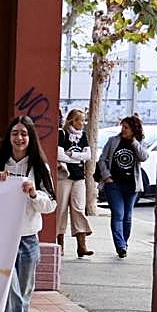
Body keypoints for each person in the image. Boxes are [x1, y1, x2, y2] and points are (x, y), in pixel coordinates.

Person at [0, 117, 57, 312]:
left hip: (28, 238)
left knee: (24, 295)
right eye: (15, 133)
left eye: (24, 134)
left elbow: (50, 204)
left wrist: (34, 193)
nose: (19, 138)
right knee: (11, 290)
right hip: (3, 239)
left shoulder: (39, 166)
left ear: (31, 137)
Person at [96, 114, 148, 258]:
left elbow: (144, 157)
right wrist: (107, 176)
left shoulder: (139, 142)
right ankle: (120, 246)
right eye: (122, 127)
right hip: (114, 184)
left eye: (126, 127)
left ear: (133, 129)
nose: (123, 130)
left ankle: (124, 243)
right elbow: (102, 160)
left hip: (131, 185)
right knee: (118, 214)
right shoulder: (113, 141)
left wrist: (134, 142)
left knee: (128, 216)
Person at [56, 109, 94, 259]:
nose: (82, 124)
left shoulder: (83, 136)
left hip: (79, 177)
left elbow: (88, 155)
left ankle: (81, 245)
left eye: (84, 121)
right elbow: (59, 155)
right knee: (61, 209)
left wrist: (72, 155)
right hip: (64, 177)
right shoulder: (62, 134)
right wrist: (78, 158)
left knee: (79, 208)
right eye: (80, 120)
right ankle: (59, 244)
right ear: (72, 120)